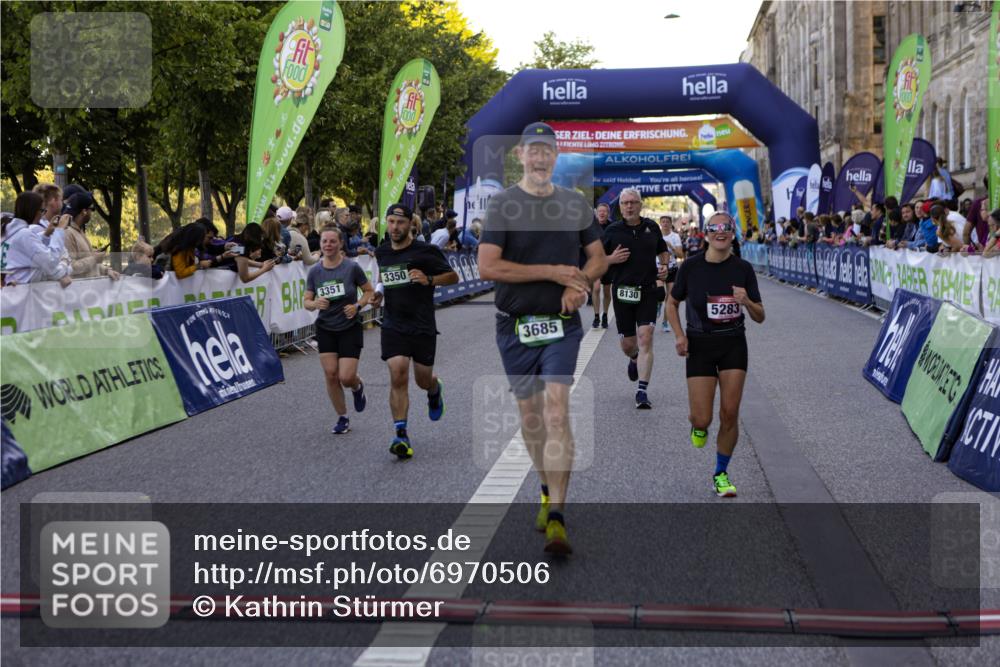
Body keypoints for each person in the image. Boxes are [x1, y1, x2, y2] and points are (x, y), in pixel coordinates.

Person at [478, 122, 608, 554]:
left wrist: (580, 285)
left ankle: (558, 516)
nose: (540, 158)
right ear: (520, 156)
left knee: (556, 408)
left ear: (556, 157)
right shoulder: (502, 205)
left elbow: (597, 259)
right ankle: (545, 487)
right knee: (531, 417)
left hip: (560, 325)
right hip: (514, 324)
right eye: (532, 151)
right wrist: (553, 272)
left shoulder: (574, 205)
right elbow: (489, 267)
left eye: (547, 152)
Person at [665, 212, 764, 498]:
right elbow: (671, 304)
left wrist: (746, 301)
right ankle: (698, 426)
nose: (721, 232)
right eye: (715, 228)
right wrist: (680, 336)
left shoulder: (743, 268)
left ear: (732, 233)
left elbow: (760, 316)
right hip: (700, 345)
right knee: (702, 418)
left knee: (730, 413)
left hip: (733, 343)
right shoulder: (691, 267)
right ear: (706, 233)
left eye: (726, 228)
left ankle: (721, 473)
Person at [372, 203, 459, 459]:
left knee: (422, 380)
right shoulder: (382, 251)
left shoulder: (427, 251)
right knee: (398, 374)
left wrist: (429, 280)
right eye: (391, 222)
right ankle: (401, 434)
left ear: (411, 224)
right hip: (393, 324)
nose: (395, 227)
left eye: (400, 223)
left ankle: (434, 389)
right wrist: (378, 293)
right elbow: (383, 277)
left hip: (422, 324)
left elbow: (453, 277)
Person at [602, 188, 668, 409]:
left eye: (633, 202)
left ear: (640, 205)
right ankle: (633, 358)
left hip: (647, 290)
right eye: (624, 203)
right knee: (629, 345)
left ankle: (642, 391)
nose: (629, 206)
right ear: (619, 207)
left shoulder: (652, 227)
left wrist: (665, 267)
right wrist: (610, 258)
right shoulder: (611, 231)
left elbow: (662, 251)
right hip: (622, 294)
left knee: (646, 336)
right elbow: (596, 260)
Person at [304, 226, 374, 435]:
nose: (327, 245)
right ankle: (342, 417)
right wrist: (315, 303)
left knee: (346, 376)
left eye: (332, 241)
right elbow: (306, 301)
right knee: (331, 375)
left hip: (349, 327)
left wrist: (358, 306)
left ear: (340, 243)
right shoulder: (315, 271)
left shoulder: (351, 268)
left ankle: (357, 386)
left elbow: (368, 291)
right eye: (324, 241)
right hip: (325, 328)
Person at [2, 190, 73, 287]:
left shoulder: (8, 231)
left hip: (11, 293)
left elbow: (26, 250)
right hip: (23, 296)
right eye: (42, 211)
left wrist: (46, 234)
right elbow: (50, 263)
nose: (42, 215)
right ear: (33, 211)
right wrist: (59, 231)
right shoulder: (24, 234)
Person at [62, 191, 119, 279]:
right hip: (80, 290)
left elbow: (89, 264)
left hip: (90, 289)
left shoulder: (79, 232)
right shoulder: (67, 233)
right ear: (84, 211)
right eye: (91, 209)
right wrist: (94, 259)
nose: (92, 212)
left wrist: (107, 271)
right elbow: (71, 267)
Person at [659, 215, 684, 333]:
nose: (665, 224)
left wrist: (670, 246)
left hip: (672, 268)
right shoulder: (655, 235)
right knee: (659, 294)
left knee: (670, 297)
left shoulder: (675, 237)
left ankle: (665, 322)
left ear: (670, 223)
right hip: (658, 268)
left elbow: (680, 255)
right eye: (663, 222)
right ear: (660, 223)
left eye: (667, 222)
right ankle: (658, 304)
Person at [591, 202, 614, 329]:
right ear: (596, 213)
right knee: (595, 288)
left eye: (604, 211)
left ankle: (605, 315)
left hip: (608, 261)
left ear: (608, 213)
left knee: (606, 291)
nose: (602, 213)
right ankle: (596, 316)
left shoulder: (612, 227)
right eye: (600, 211)